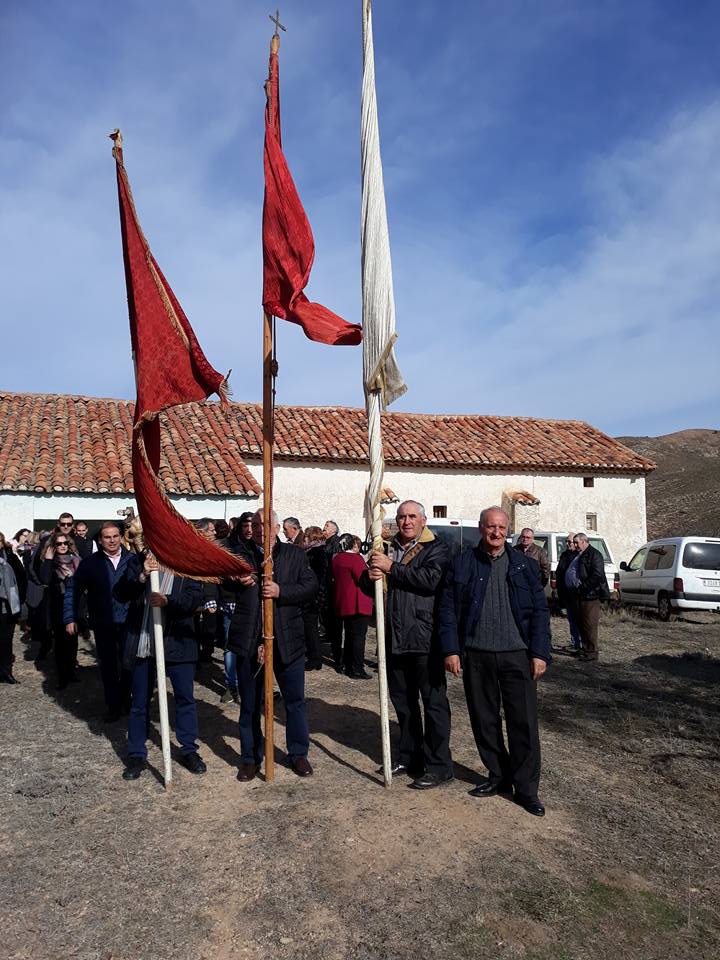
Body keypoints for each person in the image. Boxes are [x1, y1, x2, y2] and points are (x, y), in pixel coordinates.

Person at [438, 506, 551, 817]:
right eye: (491, 527)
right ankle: (498, 776)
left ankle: (526, 789)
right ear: (480, 528)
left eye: (502, 527)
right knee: (484, 720)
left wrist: (540, 653)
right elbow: (448, 610)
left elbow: (540, 613)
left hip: (518, 655)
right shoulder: (462, 564)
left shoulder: (525, 567)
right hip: (476, 655)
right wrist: (451, 650)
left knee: (523, 723)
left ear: (508, 529)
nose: (496, 532)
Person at [366, 500, 453, 790]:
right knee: (403, 704)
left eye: (412, 516)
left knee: (434, 705)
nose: (406, 521)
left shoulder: (436, 548)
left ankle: (439, 765)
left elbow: (429, 580)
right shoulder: (386, 547)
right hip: (394, 638)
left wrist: (391, 568)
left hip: (424, 639)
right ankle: (409, 755)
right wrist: (371, 576)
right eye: (402, 516)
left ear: (423, 520)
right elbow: (375, 589)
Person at [227, 510, 318, 781]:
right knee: (251, 704)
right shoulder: (238, 556)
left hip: (287, 640)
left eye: (266, 524)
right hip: (249, 640)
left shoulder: (295, 555)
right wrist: (235, 581)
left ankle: (298, 753)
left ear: (277, 527)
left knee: (294, 702)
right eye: (255, 524)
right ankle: (250, 757)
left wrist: (281, 591)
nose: (260, 529)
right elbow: (219, 586)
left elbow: (311, 587)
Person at [115, 550, 207, 779]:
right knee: (139, 702)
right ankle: (137, 754)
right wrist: (143, 576)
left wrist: (168, 601)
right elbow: (120, 593)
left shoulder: (186, 562)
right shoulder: (138, 561)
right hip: (143, 642)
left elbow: (194, 599)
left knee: (185, 698)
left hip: (178, 644)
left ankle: (188, 750)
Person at [64, 522, 134, 721]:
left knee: (129, 665)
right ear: (100, 541)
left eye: (115, 536)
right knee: (109, 666)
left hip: (129, 622)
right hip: (104, 623)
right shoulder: (90, 563)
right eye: (107, 537)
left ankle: (126, 700)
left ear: (121, 537)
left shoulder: (133, 560)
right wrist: (70, 617)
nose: (111, 540)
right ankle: (113, 706)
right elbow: (73, 590)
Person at [39, 531, 81, 688]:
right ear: (53, 546)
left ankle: (71, 672)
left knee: (73, 640)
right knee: (61, 641)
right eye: (59, 544)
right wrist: (49, 560)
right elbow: (45, 579)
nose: (62, 546)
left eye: (65, 543)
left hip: (74, 604)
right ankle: (62, 675)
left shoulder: (76, 560)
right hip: (57, 605)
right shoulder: (50, 562)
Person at [332, 535, 373, 679]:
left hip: (344, 602)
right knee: (358, 637)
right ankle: (357, 668)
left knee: (349, 636)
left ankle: (348, 665)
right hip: (357, 602)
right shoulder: (355, 559)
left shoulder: (337, 558)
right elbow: (364, 579)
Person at [565, 533, 609, 662]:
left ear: (584, 541)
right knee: (581, 624)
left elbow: (597, 575)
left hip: (590, 595)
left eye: (577, 542)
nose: (575, 545)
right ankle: (584, 649)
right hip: (579, 595)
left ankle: (591, 652)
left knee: (589, 624)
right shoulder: (580, 554)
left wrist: (583, 587)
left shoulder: (595, 555)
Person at [0, 531, 27, 684]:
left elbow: (22, 577)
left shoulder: (9, 557)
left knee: (6, 640)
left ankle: (5, 672)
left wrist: (19, 599)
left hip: (7, 606)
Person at [302, 526, 326, 671]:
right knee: (310, 628)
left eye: (306, 536)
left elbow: (318, 575)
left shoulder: (316, 552)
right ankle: (314, 657)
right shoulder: (311, 551)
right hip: (311, 596)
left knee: (311, 628)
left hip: (313, 597)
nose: (304, 538)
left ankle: (315, 658)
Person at [555, 533, 581, 650]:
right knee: (571, 619)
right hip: (566, 592)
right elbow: (559, 571)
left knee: (578, 619)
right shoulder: (565, 554)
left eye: (569, 542)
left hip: (576, 593)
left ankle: (580, 643)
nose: (567, 544)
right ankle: (574, 641)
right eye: (566, 541)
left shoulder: (580, 556)